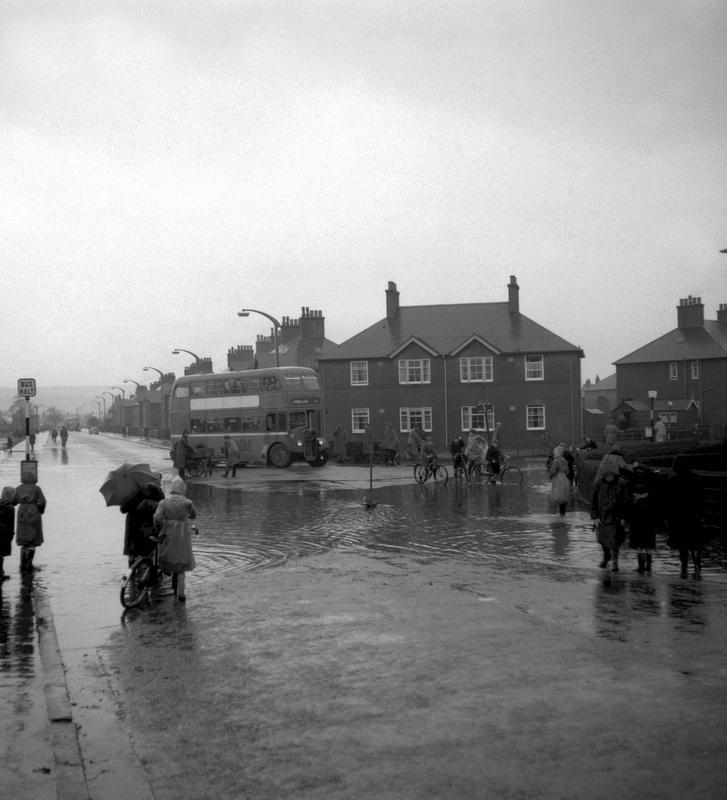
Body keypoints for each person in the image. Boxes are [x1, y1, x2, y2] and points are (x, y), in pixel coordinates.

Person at [153, 476, 197, 601]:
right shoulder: (187, 503)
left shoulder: (164, 503)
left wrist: (162, 526)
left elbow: (157, 517)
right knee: (181, 565)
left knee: (168, 557)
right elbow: (193, 515)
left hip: (168, 533)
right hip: (182, 535)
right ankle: (181, 594)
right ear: (183, 488)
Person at [667, 455, 705, 578]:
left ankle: (684, 566)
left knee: (682, 544)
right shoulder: (697, 479)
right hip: (694, 515)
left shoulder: (673, 481)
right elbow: (701, 499)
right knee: (696, 544)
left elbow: (670, 501)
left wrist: (668, 518)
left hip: (679, 517)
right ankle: (697, 565)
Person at [590, 469, 630, 572]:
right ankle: (606, 556)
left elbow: (626, 500)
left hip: (616, 516)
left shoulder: (621, 482)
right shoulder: (598, 483)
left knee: (616, 540)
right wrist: (595, 517)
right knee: (602, 539)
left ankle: (615, 562)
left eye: (611, 474)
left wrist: (624, 517)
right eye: (608, 474)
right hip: (602, 516)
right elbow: (593, 500)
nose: (609, 476)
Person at [120, 483, 164, 567]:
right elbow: (162, 505)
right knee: (149, 551)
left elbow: (123, 509)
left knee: (132, 553)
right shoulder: (156, 490)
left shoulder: (131, 492)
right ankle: (150, 570)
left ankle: (132, 573)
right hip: (149, 525)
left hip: (133, 526)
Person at [13, 471, 47, 572]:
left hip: (22, 513)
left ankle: (23, 565)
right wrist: (41, 510)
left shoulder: (18, 488)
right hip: (33, 512)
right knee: (32, 539)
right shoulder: (36, 488)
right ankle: (29, 565)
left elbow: (14, 501)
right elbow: (43, 501)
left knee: (24, 539)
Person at [627, 468, 658, 574]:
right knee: (649, 547)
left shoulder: (635, 504)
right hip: (650, 529)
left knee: (640, 547)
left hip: (638, 529)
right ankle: (649, 566)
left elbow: (631, 517)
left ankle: (641, 567)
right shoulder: (651, 503)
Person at [549, 444, 570, 516]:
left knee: (557, 496)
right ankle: (563, 513)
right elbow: (567, 471)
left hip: (557, 478)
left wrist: (550, 476)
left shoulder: (555, 461)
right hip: (564, 478)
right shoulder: (564, 460)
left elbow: (553, 471)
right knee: (563, 495)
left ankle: (556, 513)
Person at [0, 486, 15, 580]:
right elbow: (11, 523)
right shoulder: (10, 507)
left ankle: (0, 572)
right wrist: (11, 535)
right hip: (4, 534)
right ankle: (0, 573)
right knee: (1, 555)